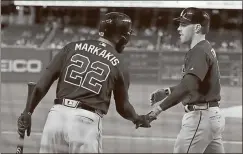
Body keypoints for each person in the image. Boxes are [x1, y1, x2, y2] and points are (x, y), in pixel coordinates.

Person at [17, 12, 152, 153]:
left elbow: (41, 85)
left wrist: (28, 112)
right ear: (123, 37)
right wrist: (137, 118)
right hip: (85, 122)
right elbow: (123, 107)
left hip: (56, 118)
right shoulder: (119, 63)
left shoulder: (71, 47)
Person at [147, 7, 225, 153]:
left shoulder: (199, 51)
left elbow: (188, 86)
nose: (178, 28)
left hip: (200, 119)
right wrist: (167, 91)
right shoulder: (205, 48)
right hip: (211, 117)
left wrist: (157, 110)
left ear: (196, 28)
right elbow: (193, 84)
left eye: (183, 24)